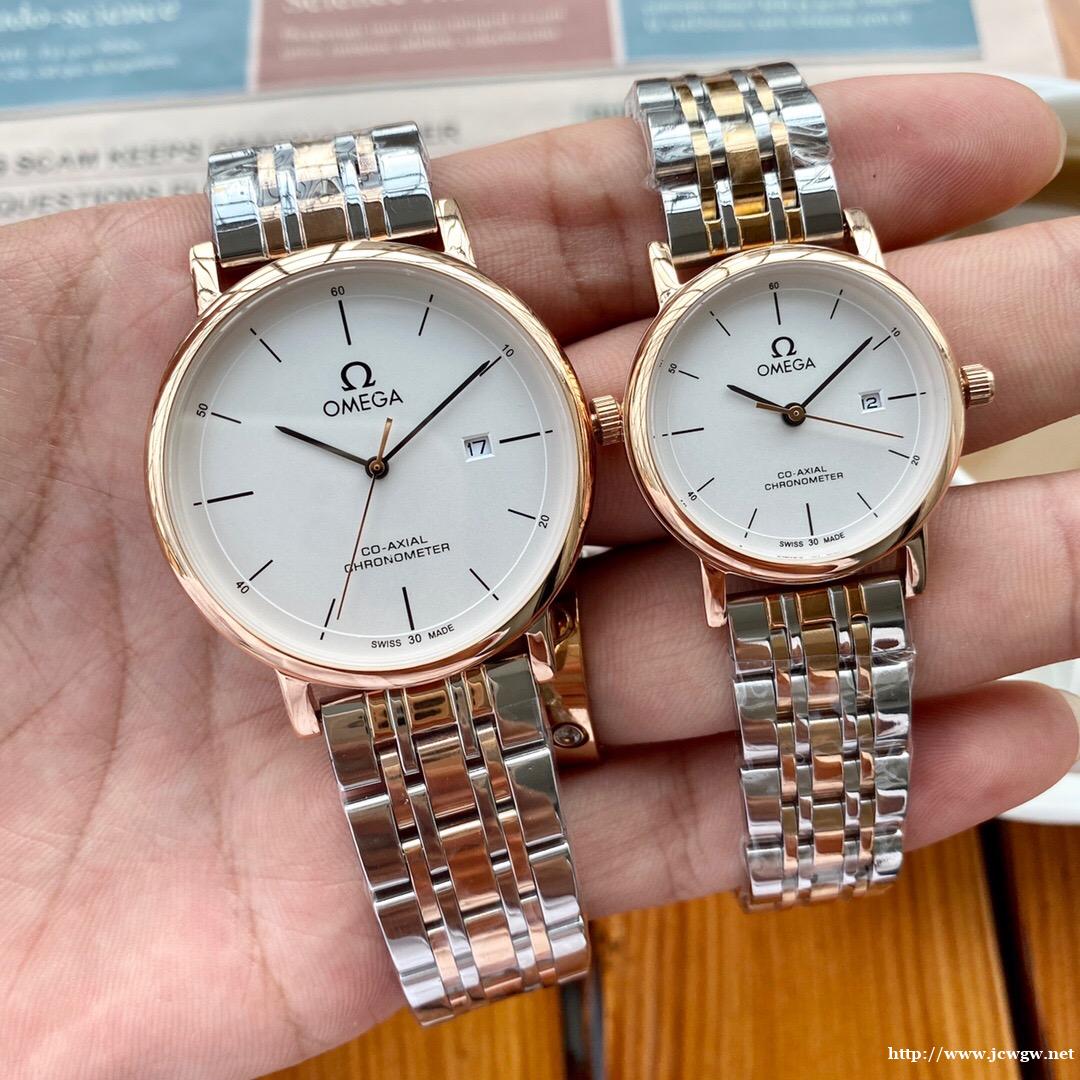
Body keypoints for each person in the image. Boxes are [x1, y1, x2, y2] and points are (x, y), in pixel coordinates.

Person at [1, 73, 1078, 1078]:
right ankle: (499, 947)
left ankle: (506, 945)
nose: (377, 461)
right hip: (347, 641)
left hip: (451, 606)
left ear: (583, 417)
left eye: (382, 449)